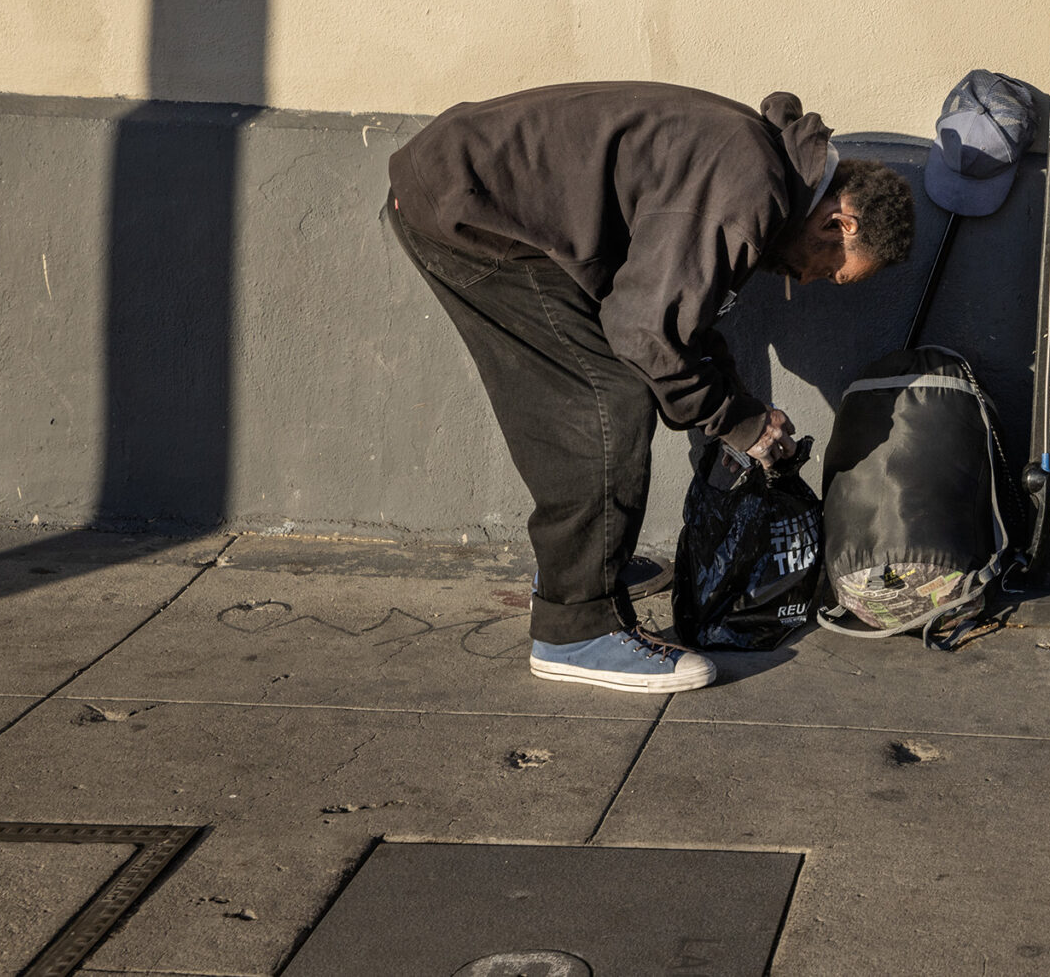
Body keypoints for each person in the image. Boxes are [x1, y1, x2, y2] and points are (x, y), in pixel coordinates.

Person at [385, 82, 914, 692]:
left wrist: (741, 410)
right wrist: (739, 422)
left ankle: (587, 563)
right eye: (831, 271)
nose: (809, 280)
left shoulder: (754, 165)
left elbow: (670, 314)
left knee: (615, 382)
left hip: (468, 188)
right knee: (605, 402)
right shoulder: (747, 192)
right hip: (468, 214)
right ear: (838, 221)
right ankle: (576, 628)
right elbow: (644, 337)